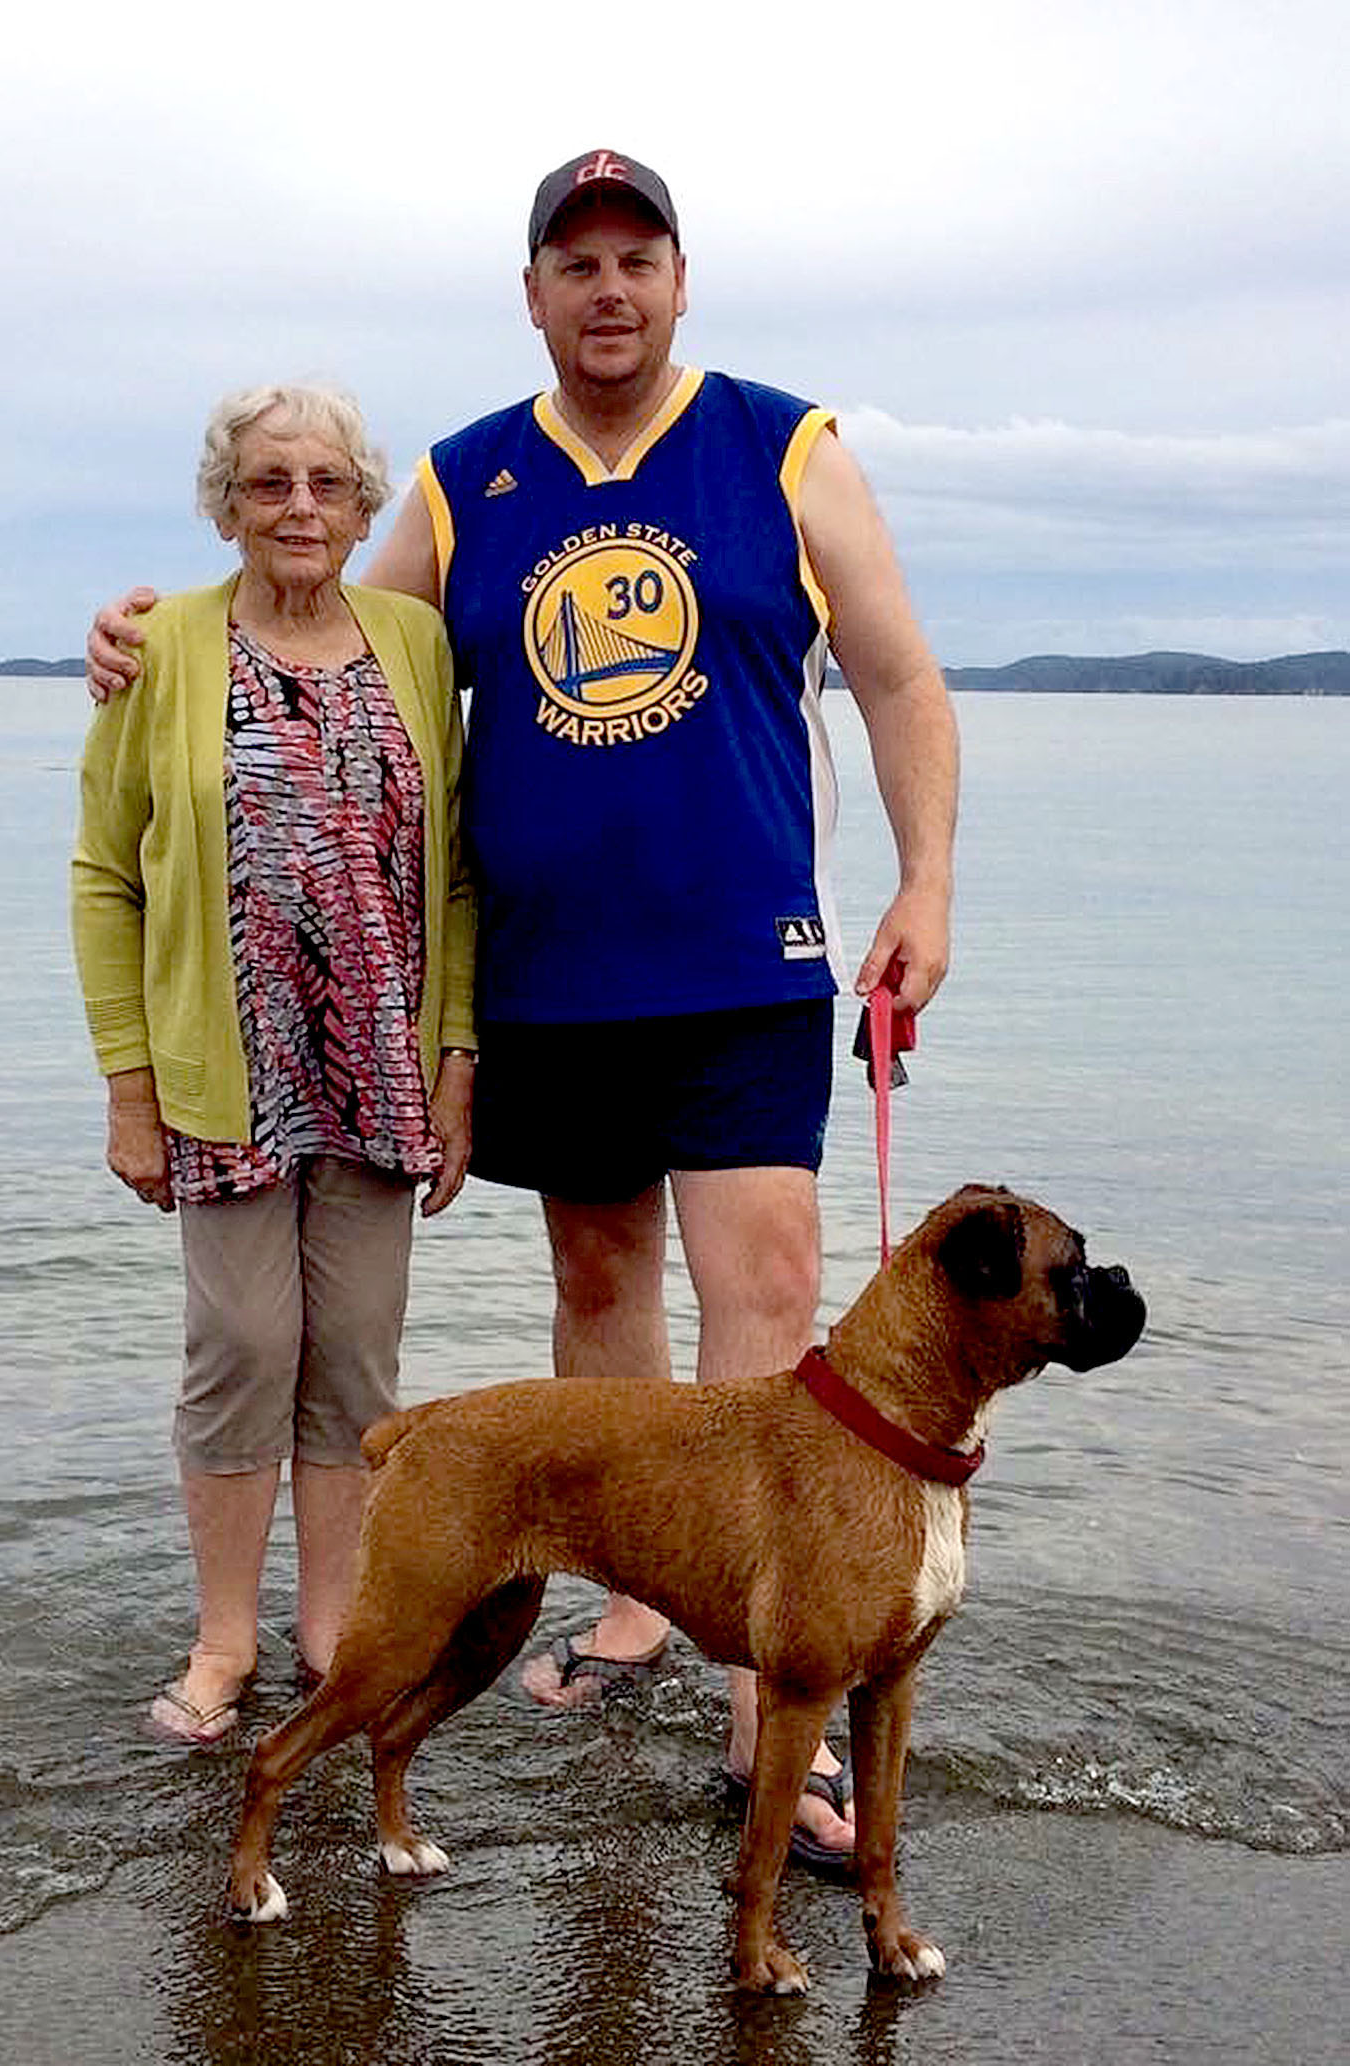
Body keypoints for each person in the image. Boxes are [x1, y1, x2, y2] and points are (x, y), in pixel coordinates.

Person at [86, 153, 957, 1861]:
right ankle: (633, 1602)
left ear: (682, 281)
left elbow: (899, 672)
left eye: (640, 259)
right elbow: (316, 609)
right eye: (578, 265)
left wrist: (928, 882)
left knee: (770, 1295)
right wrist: (147, 628)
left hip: (745, 957)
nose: (610, 290)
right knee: (598, 1281)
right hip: (554, 975)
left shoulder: (788, 445)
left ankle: (765, 1707)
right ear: (537, 293)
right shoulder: (471, 477)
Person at [71, 382, 477, 1744]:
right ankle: (226, 1637)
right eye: (267, 482)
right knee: (242, 1343)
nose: (298, 505)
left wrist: (459, 1054)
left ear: (367, 507)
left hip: (380, 1061)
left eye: (326, 483)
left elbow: (459, 871)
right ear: (225, 504)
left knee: (357, 1359)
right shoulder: (162, 647)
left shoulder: (417, 641)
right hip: (223, 1062)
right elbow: (102, 874)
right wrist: (128, 1084)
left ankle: (330, 1634)